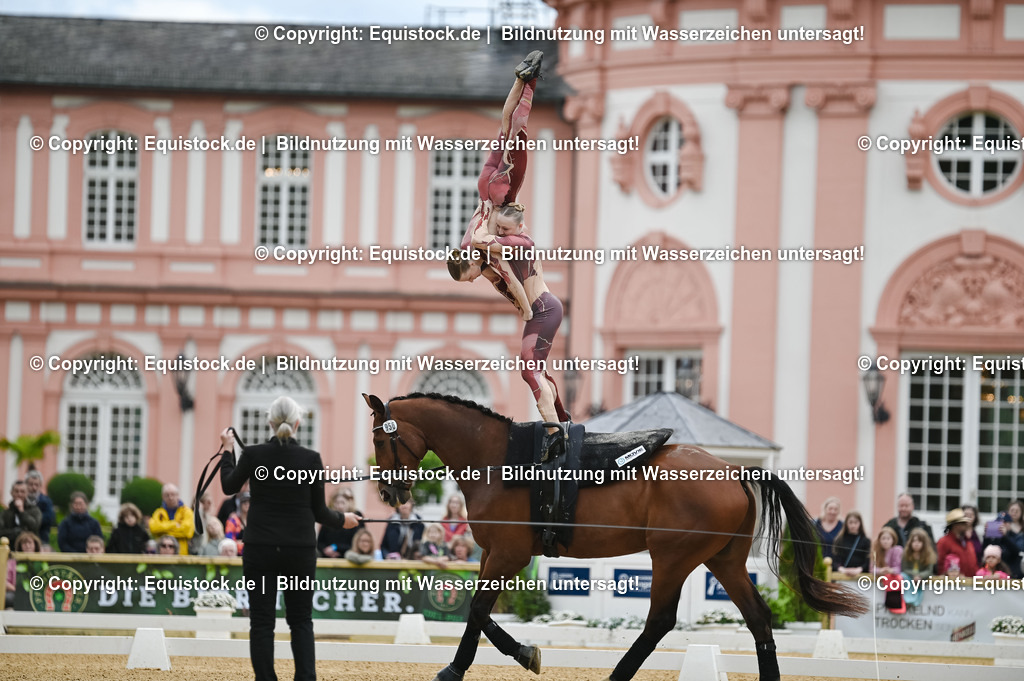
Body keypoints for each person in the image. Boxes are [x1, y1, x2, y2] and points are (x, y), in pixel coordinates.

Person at [447, 51, 571, 457]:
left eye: (470, 276)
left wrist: (521, 306)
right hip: (493, 192)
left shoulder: (490, 242)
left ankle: (556, 429)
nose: (475, 279)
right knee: (507, 127)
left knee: (512, 128)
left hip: (542, 305)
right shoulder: (480, 239)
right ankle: (559, 422)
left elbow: (517, 278)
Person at [220, 395, 359, 681]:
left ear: (270, 423)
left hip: (260, 548)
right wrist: (344, 520)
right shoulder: (310, 459)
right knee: (300, 622)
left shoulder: (254, 455)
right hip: (299, 550)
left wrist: (227, 450)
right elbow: (320, 512)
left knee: (261, 623)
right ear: (298, 423)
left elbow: (228, 485)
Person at [149, 483, 195, 555]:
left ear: (178, 495)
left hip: (181, 555)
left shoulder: (187, 512)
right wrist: (174, 525)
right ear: (163, 497)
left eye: (173, 494)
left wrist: (163, 532)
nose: (170, 497)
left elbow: (187, 532)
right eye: (167, 495)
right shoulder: (158, 513)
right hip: (162, 555)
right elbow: (153, 529)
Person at [318, 489, 364, 558]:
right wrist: (325, 550)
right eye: (337, 503)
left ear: (349, 503)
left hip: (348, 557)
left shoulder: (356, 516)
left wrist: (336, 547)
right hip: (327, 557)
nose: (339, 506)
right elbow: (320, 542)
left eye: (342, 503)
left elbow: (357, 542)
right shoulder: (329, 518)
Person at [935, 508, 979, 577]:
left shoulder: (968, 542)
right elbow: (939, 566)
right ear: (955, 525)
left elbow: (974, 565)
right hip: (952, 585)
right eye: (963, 523)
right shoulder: (943, 542)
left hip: (970, 584)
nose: (966, 525)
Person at [901, 527, 936, 607]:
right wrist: (914, 575)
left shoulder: (929, 555)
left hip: (921, 581)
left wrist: (920, 576)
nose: (916, 543)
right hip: (909, 579)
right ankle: (907, 599)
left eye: (919, 541)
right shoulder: (906, 554)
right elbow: (904, 569)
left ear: (924, 543)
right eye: (914, 541)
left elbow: (929, 571)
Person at [832, 511, 871, 576]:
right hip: (841, 576)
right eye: (850, 522)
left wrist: (858, 570)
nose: (853, 525)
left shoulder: (866, 541)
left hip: (860, 577)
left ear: (860, 523)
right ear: (846, 523)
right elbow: (835, 560)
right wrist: (842, 570)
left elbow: (868, 561)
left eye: (856, 522)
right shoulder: (839, 540)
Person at [994, 498, 1024, 579]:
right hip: (999, 571)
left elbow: (1018, 551)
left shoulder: (1018, 534)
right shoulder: (999, 532)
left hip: (1015, 571)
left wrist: (1005, 536)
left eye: (1017, 511)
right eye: (1012, 510)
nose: (1014, 513)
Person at [24, 471, 55, 546]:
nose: (34, 488)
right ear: (26, 485)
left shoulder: (46, 501)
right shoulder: (21, 500)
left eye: (36, 485)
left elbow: (49, 519)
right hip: (23, 539)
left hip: (42, 538)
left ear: (40, 486)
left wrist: (30, 520)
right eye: (31, 484)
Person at [814, 497, 843, 562]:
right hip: (817, 564)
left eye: (836, 509)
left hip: (836, 566)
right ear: (825, 509)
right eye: (830, 509)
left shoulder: (842, 526)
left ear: (838, 511)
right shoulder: (815, 524)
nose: (833, 512)